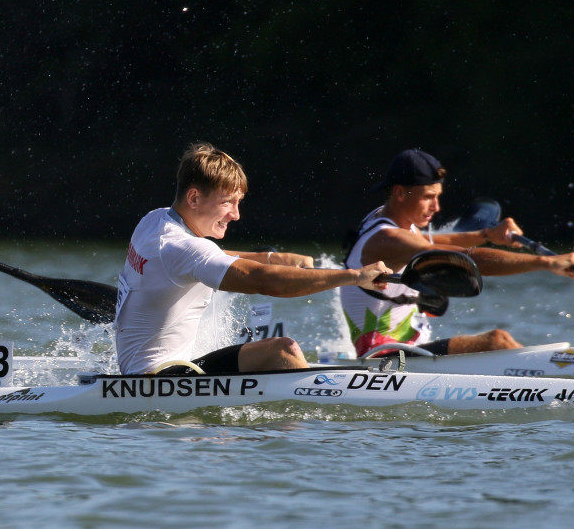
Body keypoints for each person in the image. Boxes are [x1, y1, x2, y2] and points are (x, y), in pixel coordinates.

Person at [115, 142, 393, 375]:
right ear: (194, 198)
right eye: (227, 203)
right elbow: (261, 281)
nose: (235, 215)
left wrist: (270, 258)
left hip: (146, 370)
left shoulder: (155, 222)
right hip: (159, 378)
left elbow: (209, 258)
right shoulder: (184, 249)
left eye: (238, 203)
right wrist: (356, 277)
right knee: (282, 350)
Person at [341, 148, 574, 357]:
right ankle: (561, 371)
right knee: (496, 341)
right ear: (400, 193)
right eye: (428, 197)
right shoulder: (387, 238)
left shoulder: (387, 218)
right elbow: (465, 259)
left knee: (497, 342)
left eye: (437, 197)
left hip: (408, 350)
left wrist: (487, 235)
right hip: (382, 358)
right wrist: (546, 262)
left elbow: (431, 239)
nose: (436, 207)